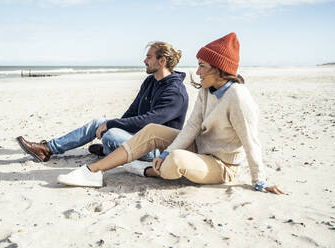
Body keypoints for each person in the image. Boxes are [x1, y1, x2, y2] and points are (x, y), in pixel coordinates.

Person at [56, 32, 283, 194]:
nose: (198, 71)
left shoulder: (238, 97)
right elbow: (192, 127)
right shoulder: (206, 90)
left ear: (219, 69)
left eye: (203, 66)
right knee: (153, 131)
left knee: (175, 159)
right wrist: (166, 152)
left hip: (221, 165)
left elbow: (251, 142)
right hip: (198, 148)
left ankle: (144, 169)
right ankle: (92, 172)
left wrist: (259, 180)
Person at [16, 41, 189, 163]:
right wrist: (113, 125)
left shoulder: (175, 93)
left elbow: (149, 121)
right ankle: (47, 149)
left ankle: (108, 150)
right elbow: (133, 111)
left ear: (162, 61)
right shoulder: (151, 81)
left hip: (156, 149)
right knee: (99, 123)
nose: (144, 61)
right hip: (139, 137)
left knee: (111, 135)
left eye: (149, 57)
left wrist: (113, 126)